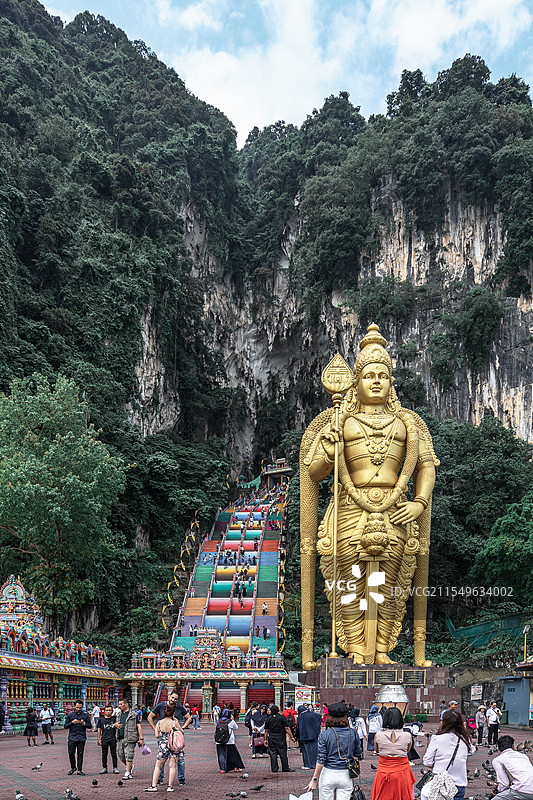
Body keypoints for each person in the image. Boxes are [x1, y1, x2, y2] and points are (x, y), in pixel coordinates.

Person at [300, 324, 439, 668]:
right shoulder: (339, 422)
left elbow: (426, 466)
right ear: (355, 382)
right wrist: (330, 451)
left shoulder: (408, 424)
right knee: (350, 586)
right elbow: (313, 473)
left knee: (386, 586)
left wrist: (418, 502)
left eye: (383, 375)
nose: (376, 381)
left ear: (392, 382)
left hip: (395, 512)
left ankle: (381, 649)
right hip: (349, 509)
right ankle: (355, 650)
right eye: (368, 375)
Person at [304, 702, 362, 799]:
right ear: (346, 717)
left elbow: (321, 760)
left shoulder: (325, 734)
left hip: (328, 773)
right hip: (346, 774)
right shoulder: (353, 733)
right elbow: (358, 753)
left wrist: (314, 779)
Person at [422, 710, 476, 800]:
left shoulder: (437, 738)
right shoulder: (465, 739)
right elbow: (471, 751)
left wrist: (437, 765)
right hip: (459, 785)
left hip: (441, 783)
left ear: (444, 723)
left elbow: (427, 761)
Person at [148, 691, 191, 786]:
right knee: (162, 760)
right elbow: (150, 717)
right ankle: (160, 779)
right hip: (163, 738)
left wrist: (182, 727)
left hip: (175, 738)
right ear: (169, 696)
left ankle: (181, 778)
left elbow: (189, 717)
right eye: (172, 698)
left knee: (179, 760)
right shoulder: (160, 706)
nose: (173, 700)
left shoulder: (179, 707)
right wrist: (155, 728)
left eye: (175, 699)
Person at [371, 707, 414, 799]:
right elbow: (407, 751)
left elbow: (377, 751)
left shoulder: (378, 735)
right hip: (402, 772)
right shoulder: (407, 735)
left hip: (383, 772)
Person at [144, 703, 185, 791]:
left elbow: (156, 735)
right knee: (172, 766)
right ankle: (170, 787)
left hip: (163, 745)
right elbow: (182, 731)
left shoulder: (159, 722)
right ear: (173, 713)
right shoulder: (174, 722)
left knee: (158, 766)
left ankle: (154, 786)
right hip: (173, 745)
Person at [492, 734, 533, 800]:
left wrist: (498, 790)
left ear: (499, 748)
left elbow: (505, 784)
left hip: (523, 790)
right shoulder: (524, 756)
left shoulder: (498, 760)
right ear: (512, 746)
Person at [115, 697, 144, 780]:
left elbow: (138, 726)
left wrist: (141, 738)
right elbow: (115, 724)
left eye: (121, 704)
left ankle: (128, 773)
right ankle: (130, 766)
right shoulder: (119, 714)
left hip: (130, 737)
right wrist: (115, 725)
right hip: (120, 738)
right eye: (119, 704)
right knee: (121, 755)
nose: (119, 706)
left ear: (126, 704)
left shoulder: (133, 714)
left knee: (129, 755)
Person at [264, 704, 296, 773]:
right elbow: (287, 728)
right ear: (278, 710)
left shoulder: (268, 719)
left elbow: (266, 731)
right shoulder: (282, 717)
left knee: (273, 753)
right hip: (280, 737)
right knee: (283, 753)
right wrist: (292, 737)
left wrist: (265, 739)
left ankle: (274, 768)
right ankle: (285, 768)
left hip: (272, 737)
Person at [64, 700, 92, 775]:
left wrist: (83, 723)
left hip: (81, 737)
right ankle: (73, 767)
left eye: (80, 707)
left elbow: (90, 726)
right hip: (72, 737)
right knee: (71, 753)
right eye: (77, 707)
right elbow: (65, 726)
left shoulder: (85, 715)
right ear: (74, 707)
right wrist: (72, 722)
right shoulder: (70, 715)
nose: (78, 709)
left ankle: (79, 769)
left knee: (80, 753)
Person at [216, 709, 245, 773]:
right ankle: (235, 767)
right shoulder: (231, 721)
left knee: (221, 755)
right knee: (233, 755)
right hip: (229, 741)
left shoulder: (218, 721)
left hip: (219, 740)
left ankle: (223, 769)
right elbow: (236, 728)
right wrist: (233, 719)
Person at [297, 703, 322, 770]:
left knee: (306, 752)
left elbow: (300, 728)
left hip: (304, 737)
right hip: (313, 735)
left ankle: (308, 764)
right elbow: (319, 716)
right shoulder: (312, 714)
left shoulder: (301, 716)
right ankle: (314, 764)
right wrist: (317, 729)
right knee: (314, 751)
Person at [98, 703, 119, 774]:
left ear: (112, 711)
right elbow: (99, 729)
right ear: (104, 711)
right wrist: (99, 739)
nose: (108, 712)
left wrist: (115, 725)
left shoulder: (114, 719)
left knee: (113, 754)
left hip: (112, 739)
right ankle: (104, 767)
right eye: (107, 710)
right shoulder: (101, 720)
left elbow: (119, 726)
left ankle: (115, 767)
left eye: (110, 710)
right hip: (104, 739)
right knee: (104, 754)